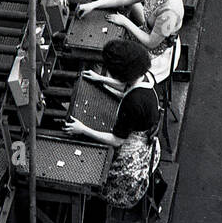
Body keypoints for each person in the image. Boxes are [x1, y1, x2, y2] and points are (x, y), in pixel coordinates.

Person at [64, 37, 160, 210]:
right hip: (148, 141)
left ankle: (93, 206)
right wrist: (101, 79)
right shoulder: (146, 76)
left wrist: (83, 129)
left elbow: (117, 140)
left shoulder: (134, 102)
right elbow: (127, 85)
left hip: (131, 167)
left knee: (93, 175)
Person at [75, 0, 184, 84]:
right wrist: (93, 5)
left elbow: (151, 42)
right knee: (132, 4)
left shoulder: (170, 12)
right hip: (149, 27)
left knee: (113, 63)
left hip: (155, 49)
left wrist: (125, 22)